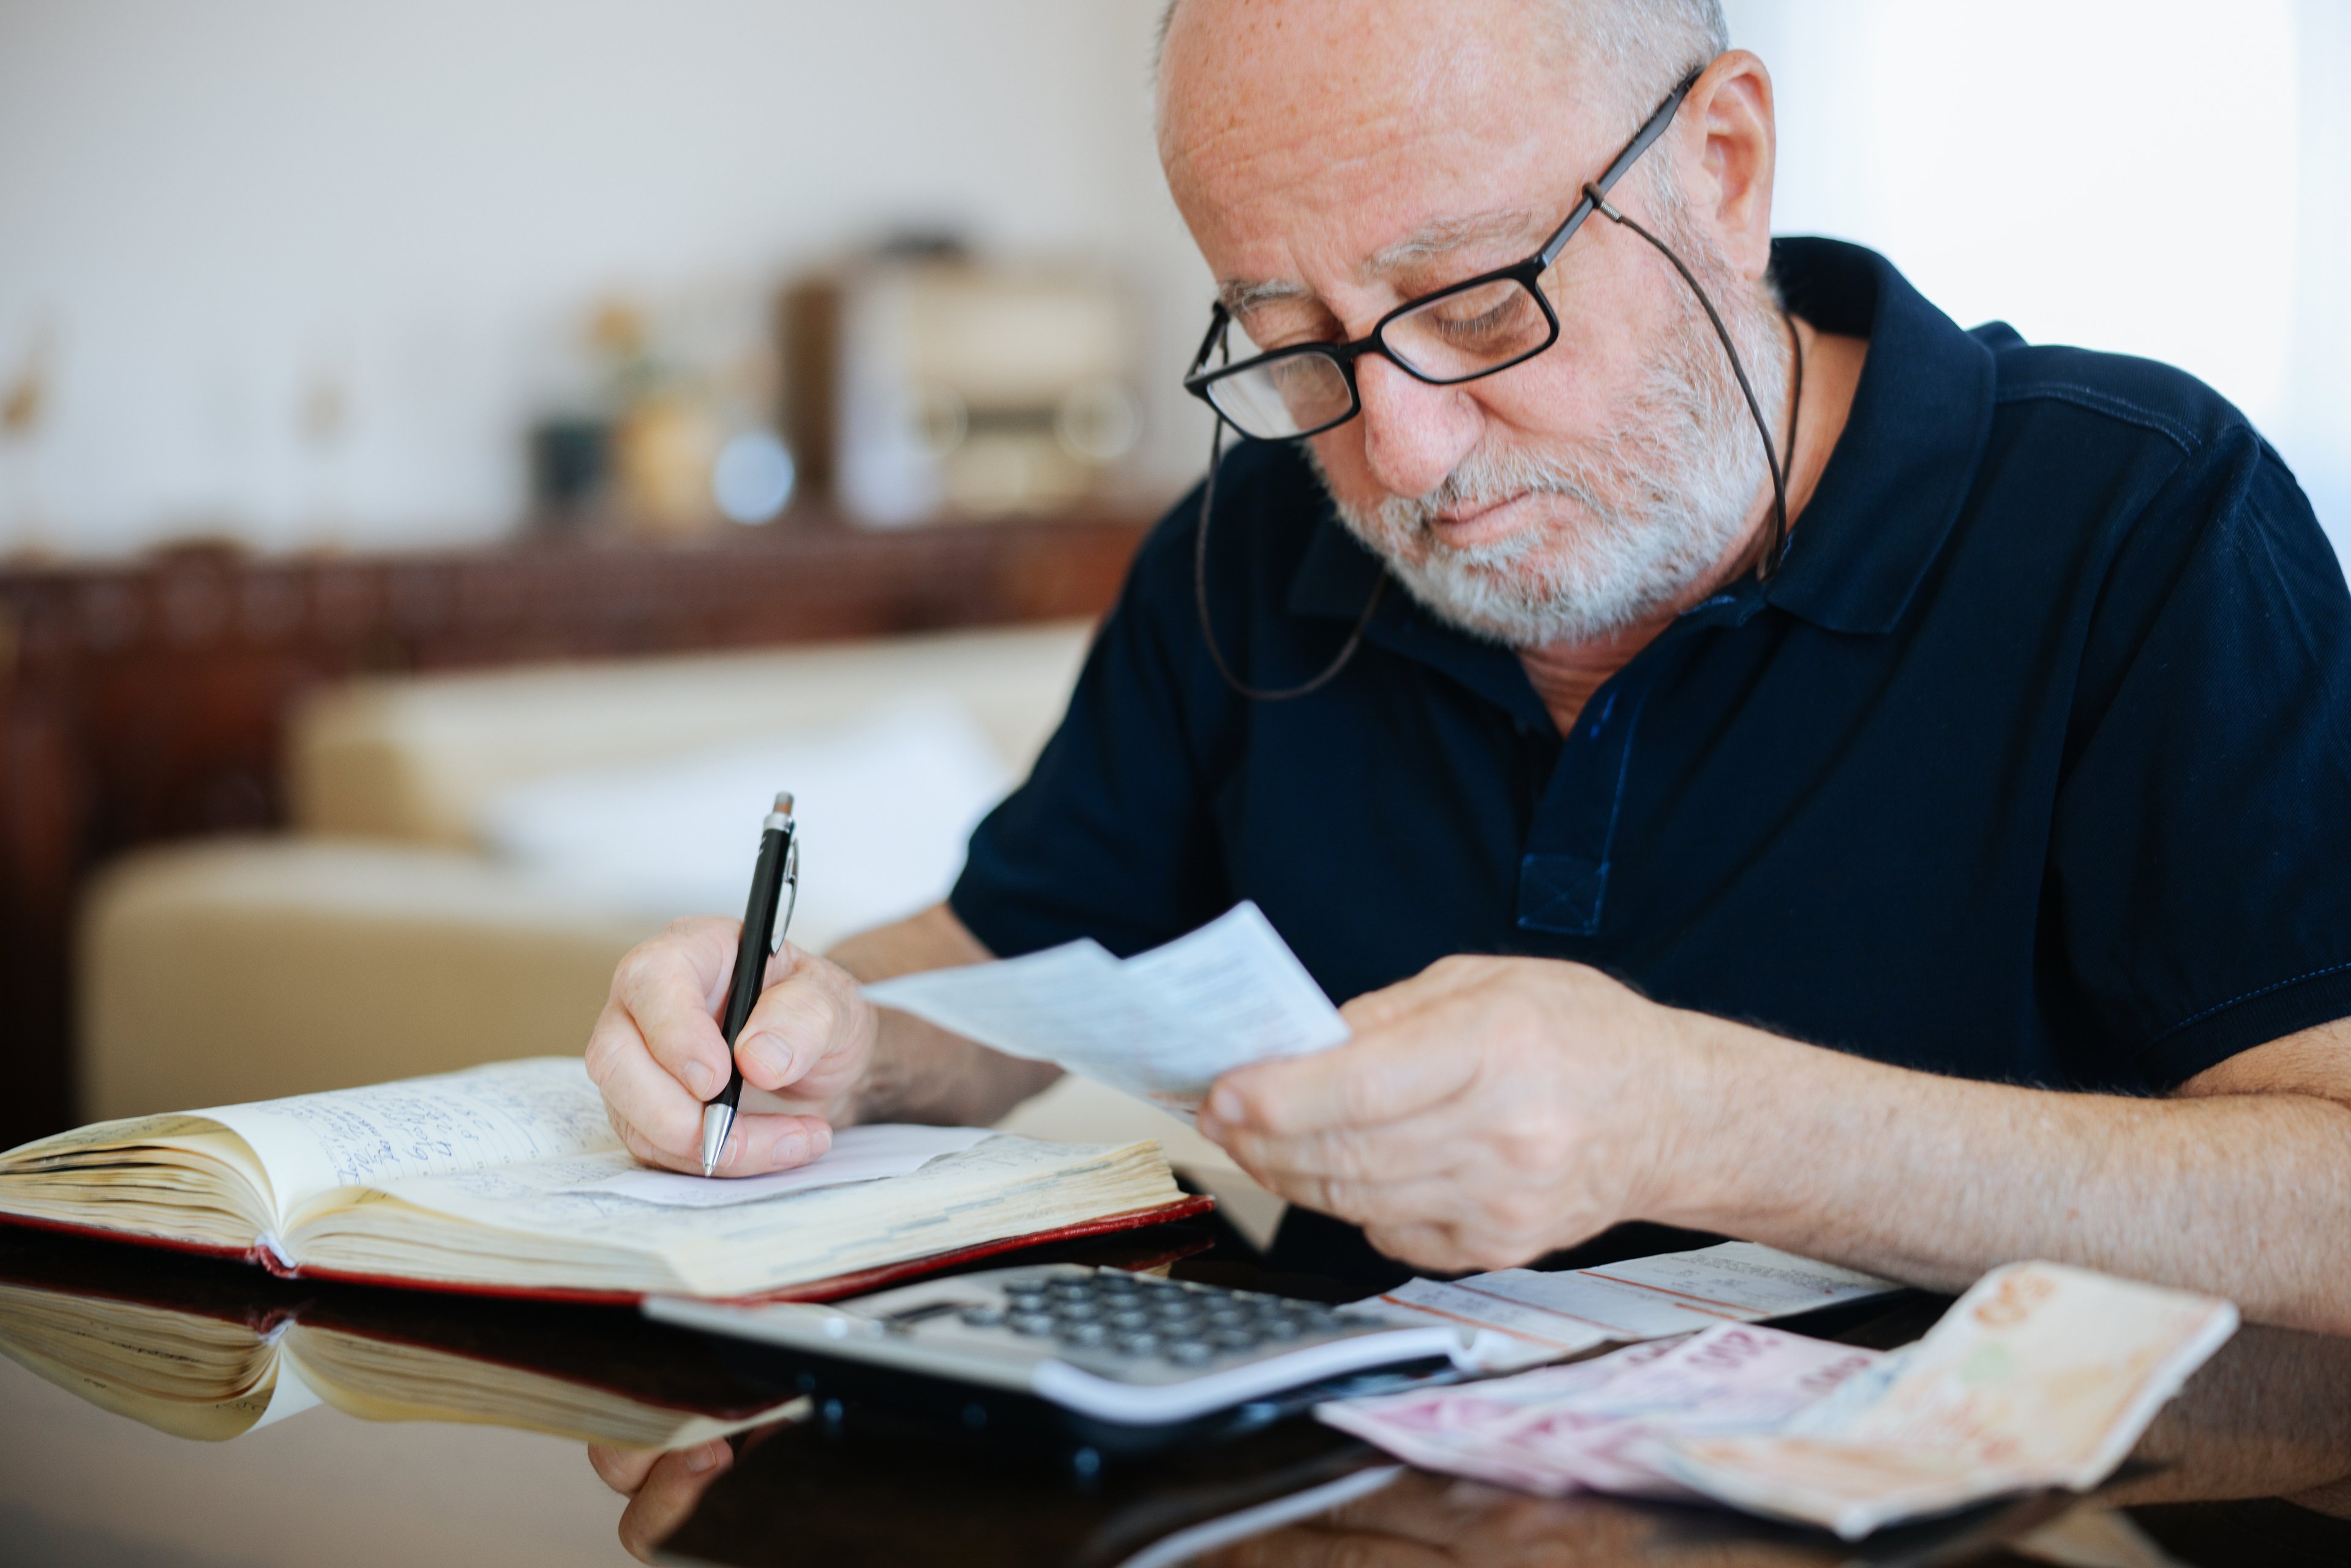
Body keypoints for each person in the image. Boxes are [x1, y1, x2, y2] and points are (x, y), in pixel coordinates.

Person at [584, 0, 2351, 1330]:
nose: (1406, 457)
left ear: (1723, 165)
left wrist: (1704, 1119)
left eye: (1485, 303)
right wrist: (817, 1029)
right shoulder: (1253, 551)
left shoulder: (2140, 519)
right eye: (1292, 347)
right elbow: (1018, 965)